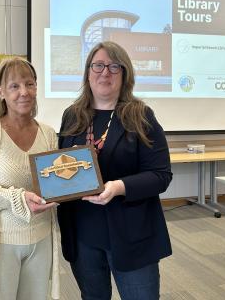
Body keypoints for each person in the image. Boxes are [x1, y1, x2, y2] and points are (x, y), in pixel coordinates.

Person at [57, 41, 172, 300]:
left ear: (125, 74)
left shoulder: (140, 116)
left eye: (114, 66)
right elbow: (59, 165)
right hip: (83, 233)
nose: (104, 73)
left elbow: (161, 175)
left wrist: (118, 187)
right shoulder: (72, 115)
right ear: (88, 72)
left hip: (131, 234)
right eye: (98, 65)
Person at [0, 57, 60, 300]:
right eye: (14, 86)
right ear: (1, 92)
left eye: (29, 84)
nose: (24, 92)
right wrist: (18, 198)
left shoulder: (48, 134)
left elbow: (54, 182)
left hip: (41, 238)